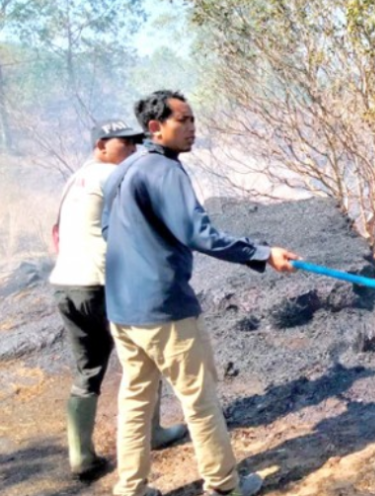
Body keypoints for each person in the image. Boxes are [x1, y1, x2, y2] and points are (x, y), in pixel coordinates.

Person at [102, 90, 300, 496]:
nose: (192, 129)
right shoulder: (166, 171)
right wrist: (262, 254)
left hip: (122, 309)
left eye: (193, 120)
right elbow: (199, 234)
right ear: (156, 128)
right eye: (183, 121)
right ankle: (224, 486)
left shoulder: (121, 171)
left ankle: (131, 488)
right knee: (199, 399)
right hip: (164, 311)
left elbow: (106, 229)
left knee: (136, 401)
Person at [50, 119, 188, 480]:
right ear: (100, 146)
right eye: (124, 143)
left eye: (135, 143)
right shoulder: (112, 177)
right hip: (102, 284)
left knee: (87, 370)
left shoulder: (74, 179)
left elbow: (55, 231)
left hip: (66, 285)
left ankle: (81, 457)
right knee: (145, 361)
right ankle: (152, 436)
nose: (132, 149)